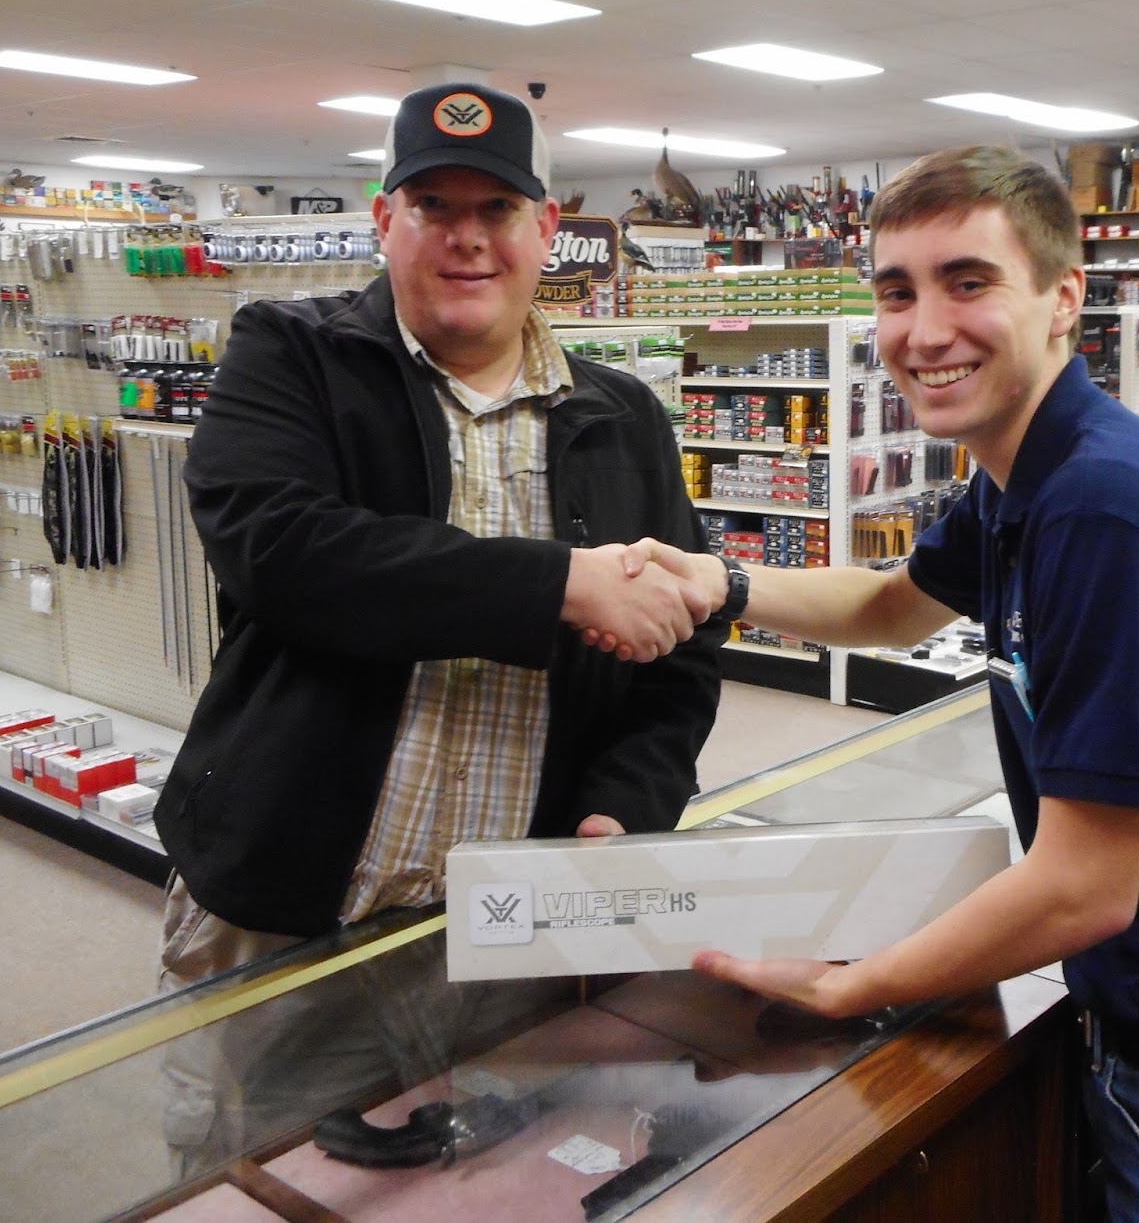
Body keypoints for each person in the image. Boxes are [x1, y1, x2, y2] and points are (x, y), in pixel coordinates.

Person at [613, 145, 1139, 1222]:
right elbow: (892, 606)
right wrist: (723, 582)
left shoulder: (1104, 511)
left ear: (1063, 299)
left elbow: (1084, 885)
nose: (924, 331)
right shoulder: (1028, 475)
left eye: (967, 282)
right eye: (897, 292)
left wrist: (851, 983)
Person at [153, 80, 726, 1164]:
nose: (467, 238)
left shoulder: (623, 416)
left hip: (509, 935)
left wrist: (625, 804)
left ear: (546, 230)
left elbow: (681, 657)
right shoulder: (291, 353)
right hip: (288, 919)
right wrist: (560, 586)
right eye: (434, 206)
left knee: (493, 1182)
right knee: (248, 1184)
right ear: (385, 219)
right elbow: (282, 552)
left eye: (496, 209)